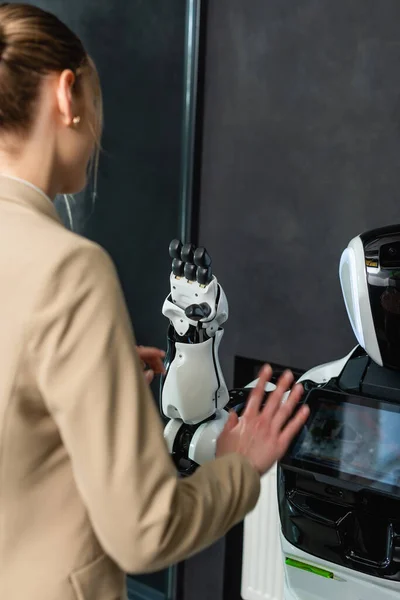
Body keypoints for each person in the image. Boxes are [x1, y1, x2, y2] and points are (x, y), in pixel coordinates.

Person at [0, 4, 309, 600]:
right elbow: (145, 531)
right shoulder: (70, 270)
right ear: (68, 96)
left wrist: (99, 383)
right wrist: (241, 469)